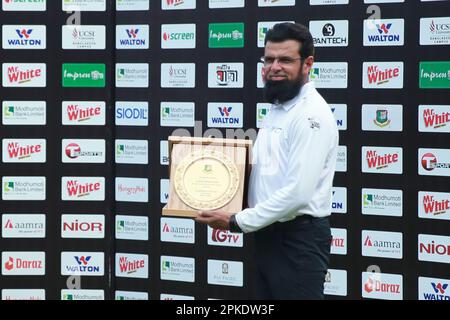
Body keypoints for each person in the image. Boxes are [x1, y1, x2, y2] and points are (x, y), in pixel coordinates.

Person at [195, 22, 338, 300]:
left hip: (297, 240)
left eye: (285, 60)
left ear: (308, 64)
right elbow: (266, 170)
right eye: (269, 59)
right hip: (268, 233)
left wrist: (237, 220)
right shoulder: (280, 106)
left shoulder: (311, 116)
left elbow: (297, 193)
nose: (274, 66)